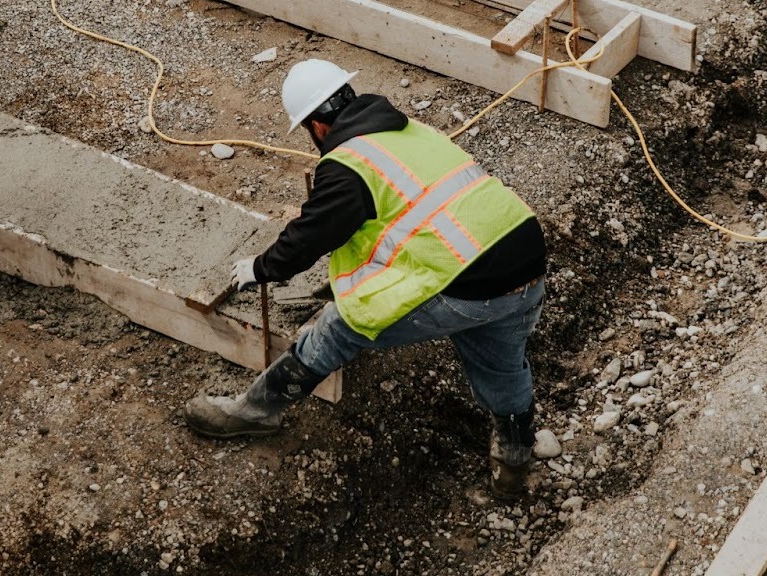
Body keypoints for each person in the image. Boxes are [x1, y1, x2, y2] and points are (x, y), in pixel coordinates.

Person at [184, 59, 549, 500]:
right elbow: (409, 218)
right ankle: (513, 462)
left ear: (317, 126)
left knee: (341, 326)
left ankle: (256, 411)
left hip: (467, 284)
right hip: (525, 263)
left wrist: (263, 267)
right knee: (501, 366)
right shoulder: (410, 132)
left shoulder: (347, 164)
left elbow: (311, 235)